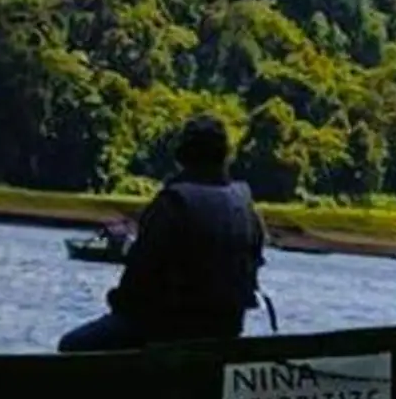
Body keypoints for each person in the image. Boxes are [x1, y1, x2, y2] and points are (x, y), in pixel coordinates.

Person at [58, 115, 266, 352]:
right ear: (225, 156)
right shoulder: (246, 207)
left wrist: (117, 303)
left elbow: (137, 281)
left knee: (71, 345)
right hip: (226, 328)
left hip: (167, 329)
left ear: (182, 155)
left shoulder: (173, 204)